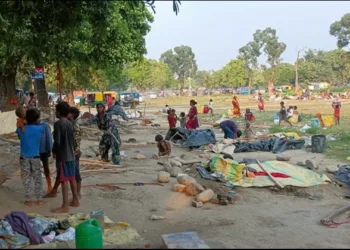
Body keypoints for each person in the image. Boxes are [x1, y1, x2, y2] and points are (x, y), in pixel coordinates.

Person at [51, 101, 79, 213]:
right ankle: (76, 200)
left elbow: (57, 142)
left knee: (63, 181)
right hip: (71, 155)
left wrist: (53, 151)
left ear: (59, 112)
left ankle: (65, 206)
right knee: (72, 178)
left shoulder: (58, 124)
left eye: (55, 110)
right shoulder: (69, 123)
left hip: (63, 156)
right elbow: (73, 140)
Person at [16, 108, 44, 206]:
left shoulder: (19, 129)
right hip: (36, 157)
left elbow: (20, 136)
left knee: (26, 178)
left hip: (24, 157)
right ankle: (40, 200)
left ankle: (28, 200)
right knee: (37, 177)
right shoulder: (40, 129)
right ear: (36, 119)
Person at [38, 117, 53, 193]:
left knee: (46, 169)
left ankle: (49, 185)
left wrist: (49, 149)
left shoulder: (45, 125)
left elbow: (49, 138)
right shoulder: (30, 125)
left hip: (44, 151)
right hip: (35, 151)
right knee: (36, 170)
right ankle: (39, 188)